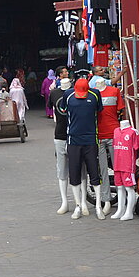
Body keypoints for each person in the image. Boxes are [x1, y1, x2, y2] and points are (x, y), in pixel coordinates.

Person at [58, 78, 105, 220]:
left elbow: (99, 112)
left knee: (94, 173)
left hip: (91, 139)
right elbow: (62, 111)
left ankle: (98, 206)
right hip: (73, 139)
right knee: (74, 173)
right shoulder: (68, 95)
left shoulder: (95, 94)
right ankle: (78, 205)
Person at [93, 76, 124, 215]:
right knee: (103, 170)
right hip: (99, 135)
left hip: (114, 134)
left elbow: (121, 111)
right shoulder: (92, 93)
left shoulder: (114, 91)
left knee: (119, 168)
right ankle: (106, 200)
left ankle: (122, 199)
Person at [50, 77, 73, 214]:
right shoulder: (54, 93)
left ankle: (80, 201)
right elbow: (52, 109)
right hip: (59, 134)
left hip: (75, 135)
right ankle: (64, 201)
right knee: (62, 170)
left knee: (79, 170)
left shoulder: (76, 92)